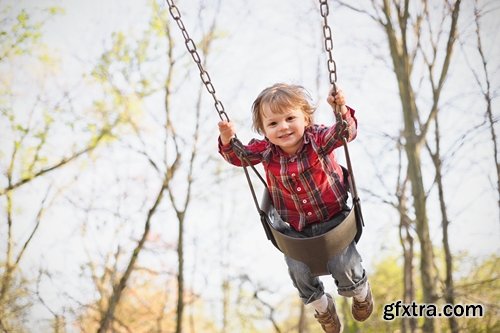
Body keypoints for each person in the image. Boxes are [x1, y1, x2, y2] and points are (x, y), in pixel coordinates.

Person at [217, 83, 373, 333]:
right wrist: (227, 138)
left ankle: (361, 294)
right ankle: (323, 309)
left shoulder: (318, 138)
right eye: (273, 123)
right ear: (264, 130)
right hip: (296, 228)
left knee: (345, 266)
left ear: (306, 119)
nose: (283, 127)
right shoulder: (266, 151)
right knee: (298, 270)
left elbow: (346, 132)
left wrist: (340, 108)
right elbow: (240, 157)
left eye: (290, 118)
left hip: (335, 219)